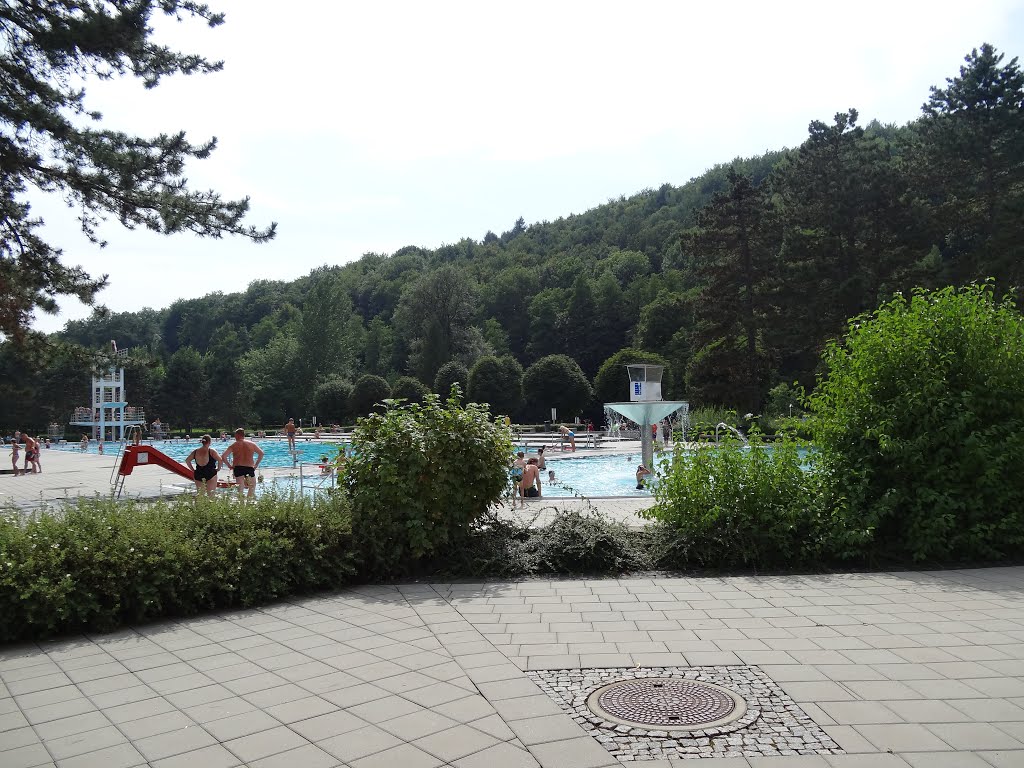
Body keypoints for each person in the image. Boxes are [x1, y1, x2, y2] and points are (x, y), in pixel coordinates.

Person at [222, 428, 265, 500]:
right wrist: (256, 465)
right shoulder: (251, 444)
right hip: (249, 467)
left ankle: (241, 505)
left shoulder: (234, 445)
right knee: (252, 486)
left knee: (240, 488)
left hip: (238, 467)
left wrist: (229, 466)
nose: (234, 437)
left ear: (238, 435)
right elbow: (261, 453)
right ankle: (248, 503)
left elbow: (224, 456)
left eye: (235, 436)